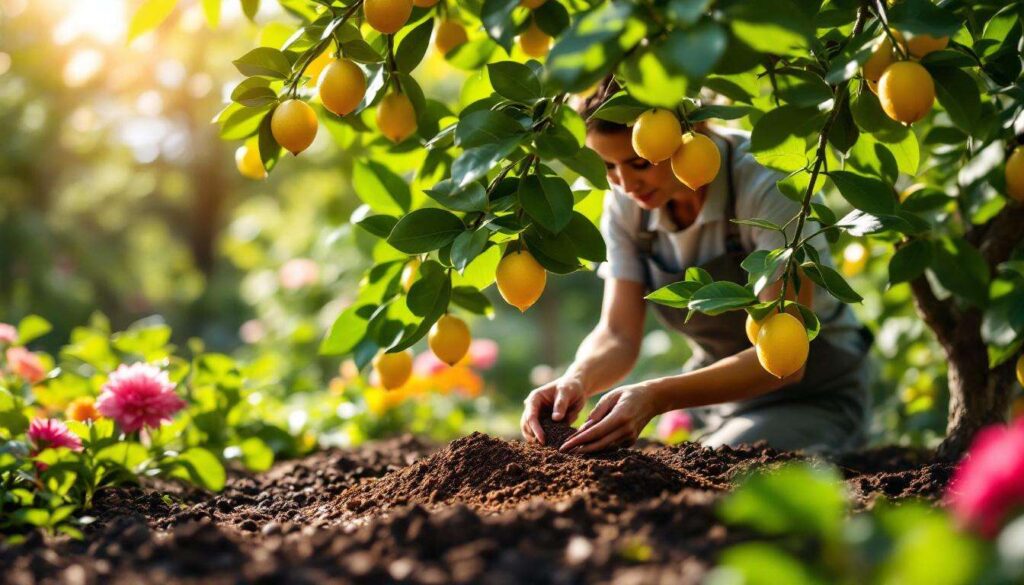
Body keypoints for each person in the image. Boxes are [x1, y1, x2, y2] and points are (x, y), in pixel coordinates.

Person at [520, 85, 873, 455]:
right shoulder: (627, 205)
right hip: (721, 402)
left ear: (691, 132)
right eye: (608, 166)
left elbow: (784, 362)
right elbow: (618, 334)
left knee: (717, 472)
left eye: (639, 162)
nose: (625, 184)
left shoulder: (768, 183)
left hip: (815, 395)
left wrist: (655, 396)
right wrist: (576, 379)